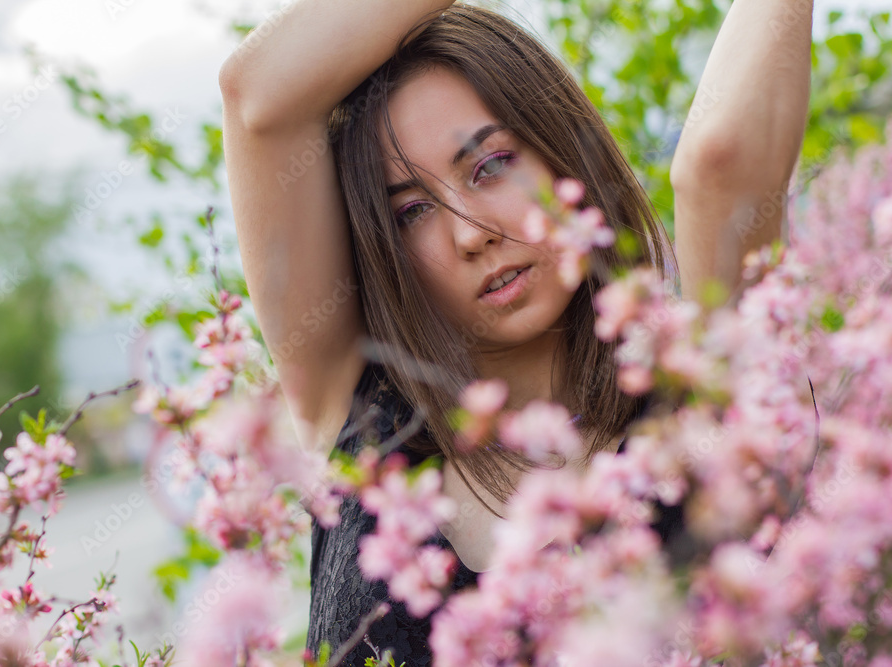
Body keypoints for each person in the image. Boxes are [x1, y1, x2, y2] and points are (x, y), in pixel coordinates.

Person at [219, 1, 812, 664]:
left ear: (566, 155)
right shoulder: (357, 418)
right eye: (412, 210)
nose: (471, 233)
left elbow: (720, 162)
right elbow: (258, 96)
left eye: (490, 166)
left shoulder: (697, 395)